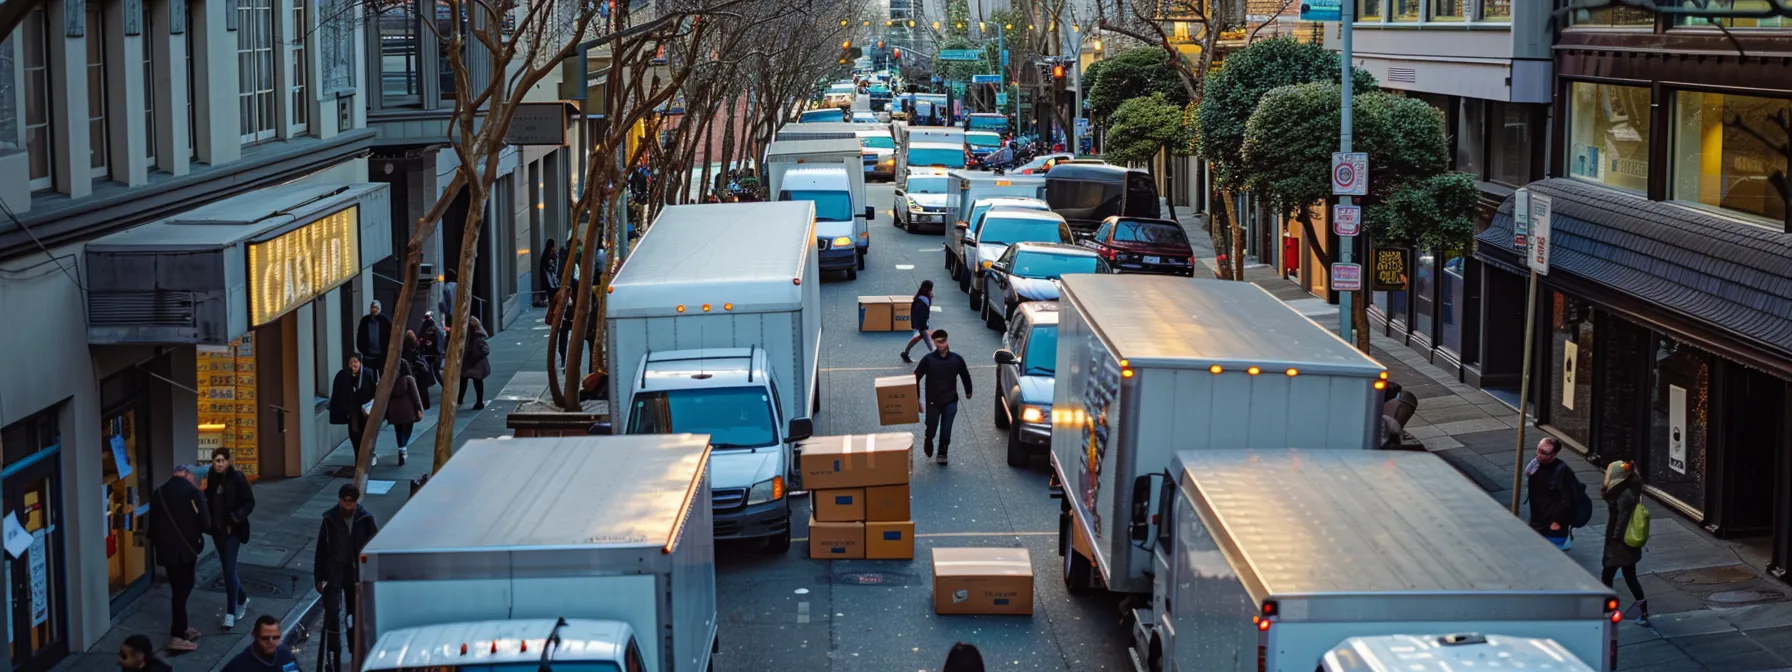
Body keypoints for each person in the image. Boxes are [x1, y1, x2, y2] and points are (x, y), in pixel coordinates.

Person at [315, 484, 379, 672]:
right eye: (345, 501)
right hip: (335, 572)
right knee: (332, 614)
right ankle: (333, 655)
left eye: (351, 502)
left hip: (355, 573)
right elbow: (321, 549)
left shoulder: (365, 519)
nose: (348, 505)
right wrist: (319, 576)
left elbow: (373, 545)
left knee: (354, 614)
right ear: (340, 499)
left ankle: (354, 651)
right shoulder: (330, 519)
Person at [147, 464, 209, 651]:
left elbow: (152, 526)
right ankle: (177, 636)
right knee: (183, 590)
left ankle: (182, 628)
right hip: (187, 549)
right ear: (187, 474)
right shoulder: (192, 492)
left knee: (178, 588)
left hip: (166, 551)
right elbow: (206, 522)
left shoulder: (158, 493)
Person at [204, 449, 255, 628]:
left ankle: (230, 613)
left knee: (228, 569)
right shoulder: (212, 477)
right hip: (218, 530)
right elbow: (209, 498)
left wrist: (236, 516)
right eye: (215, 461)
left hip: (233, 530)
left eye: (221, 461)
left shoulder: (237, 478)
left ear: (228, 461)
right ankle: (242, 597)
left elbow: (249, 502)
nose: (218, 464)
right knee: (228, 569)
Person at [913, 329, 972, 465]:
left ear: (947, 341)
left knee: (946, 429)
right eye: (938, 342)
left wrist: (968, 390)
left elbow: (964, 374)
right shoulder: (928, 360)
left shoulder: (956, 359)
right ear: (934, 343)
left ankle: (942, 451)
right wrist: (916, 399)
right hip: (933, 401)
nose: (941, 345)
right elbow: (916, 377)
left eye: (943, 341)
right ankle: (929, 438)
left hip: (950, 401)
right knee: (932, 427)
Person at [1601, 460, 1650, 625]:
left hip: (1619, 544)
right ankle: (1643, 611)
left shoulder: (1622, 494)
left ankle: (1607, 609)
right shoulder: (1629, 488)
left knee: (1607, 575)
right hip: (1627, 543)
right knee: (1630, 576)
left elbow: (1621, 520)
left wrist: (1615, 539)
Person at [1525, 437, 1579, 550]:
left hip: (1552, 526)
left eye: (1544, 453)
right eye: (1538, 450)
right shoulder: (1535, 466)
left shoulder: (1562, 472)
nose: (1539, 455)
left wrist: (1557, 521)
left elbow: (1569, 499)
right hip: (1537, 521)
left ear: (1553, 455)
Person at [329, 354, 378, 465]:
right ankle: (358, 460)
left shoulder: (367, 373)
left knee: (366, 434)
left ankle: (369, 454)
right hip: (353, 412)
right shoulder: (343, 376)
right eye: (351, 362)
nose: (353, 365)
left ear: (360, 363)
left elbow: (374, 392)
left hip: (365, 411)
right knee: (355, 435)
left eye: (355, 362)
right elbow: (338, 393)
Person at [222, 615, 299, 672]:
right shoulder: (238, 666)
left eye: (275, 637)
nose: (271, 642)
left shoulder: (285, 655)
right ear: (254, 635)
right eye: (265, 638)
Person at [386, 358, 425, 466]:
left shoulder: (390, 381)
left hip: (394, 412)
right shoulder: (409, 379)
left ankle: (401, 448)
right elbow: (415, 396)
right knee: (407, 431)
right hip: (409, 412)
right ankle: (403, 449)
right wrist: (419, 409)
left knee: (398, 431)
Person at [460, 316, 492, 409]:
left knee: (471, 381)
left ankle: (476, 401)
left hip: (475, 363)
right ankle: (463, 400)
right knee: (467, 381)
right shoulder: (474, 336)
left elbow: (485, 350)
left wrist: (474, 354)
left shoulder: (477, 337)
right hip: (473, 363)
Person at [899, 280, 935, 363]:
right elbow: (921, 313)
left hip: (922, 322)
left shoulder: (922, 297)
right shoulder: (922, 299)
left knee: (918, 338)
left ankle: (905, 353)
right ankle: (935, 354)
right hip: (922, 323)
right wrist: (923, 325)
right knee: (927, 339)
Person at [355, 301, 394, 374]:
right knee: (370, 376)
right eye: (372, 307)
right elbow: (360, 335)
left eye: (376, 308)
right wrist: (362, 349)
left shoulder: (386, 320)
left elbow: (391, 336)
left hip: (382, 355)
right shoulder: (365, 320)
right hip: (368, 356)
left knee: (383, 375)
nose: (374, 310)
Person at [418, 312, 445, 382]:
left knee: (429, 371)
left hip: (431, 354)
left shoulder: (429, 329)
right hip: (435, 353)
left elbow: (424, 340)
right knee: (434, 372)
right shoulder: (436, 329)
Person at [538, 239, 561, 306]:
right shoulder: (545, 255)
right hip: (547, 276)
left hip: (551, 275)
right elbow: (545, 265)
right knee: (549, 288)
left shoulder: (550, 254)